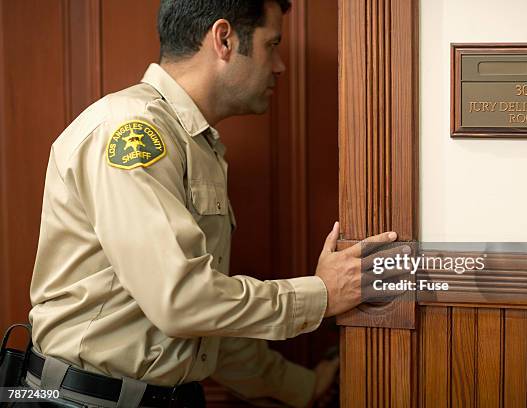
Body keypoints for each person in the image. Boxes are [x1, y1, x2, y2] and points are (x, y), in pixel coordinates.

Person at [24, 0, 399, 407]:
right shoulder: (133, 131)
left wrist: (300, 387)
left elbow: (202, 329)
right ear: (223, 39)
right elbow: (182, 301)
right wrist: (321, 294)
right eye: (271, 45)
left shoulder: (196, 145)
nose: (279, 66)